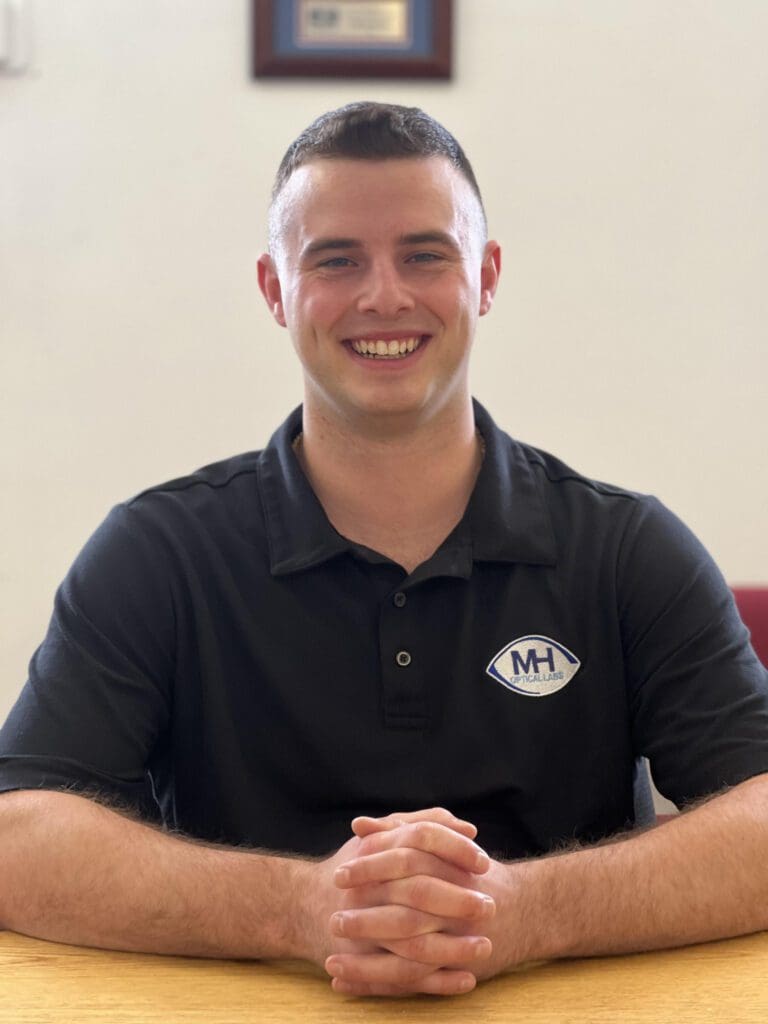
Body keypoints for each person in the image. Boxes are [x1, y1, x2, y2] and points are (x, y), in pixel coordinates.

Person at [1, 102, 767, 999]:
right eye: (336, 260)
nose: (384, 297)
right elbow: (21, 838)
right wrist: (300, 909)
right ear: (274, 288)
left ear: (484, 276)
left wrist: (520, 912)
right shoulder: (157, 552)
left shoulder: (627, 549)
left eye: (424, 255)